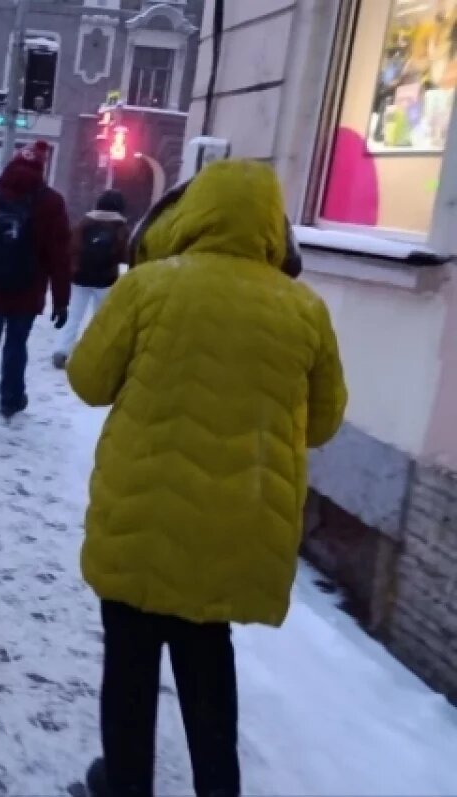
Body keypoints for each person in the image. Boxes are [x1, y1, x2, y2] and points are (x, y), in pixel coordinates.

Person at [65, 160, 348, 797]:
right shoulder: (304, 308)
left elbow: (87, 382)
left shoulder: (150, 287)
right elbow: (324, 423)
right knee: (207, 655)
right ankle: (218, 786)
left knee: (131, 659)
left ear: (191, 214)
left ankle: (125, 785)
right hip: (239, 520)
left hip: (143, 511)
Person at [0, 140, 71, 439]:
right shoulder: (51, 202)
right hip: (28, 289)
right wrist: (61, 299)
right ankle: (10, 401)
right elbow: (60, 255)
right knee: (17, 346)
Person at [52, 189, 130, 369]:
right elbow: (124, 255)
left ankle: (61, 350)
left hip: (80, 277)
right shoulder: (121, 227)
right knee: (101, 318)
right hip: (106, 279)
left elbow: (72, 247)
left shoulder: (84, 223)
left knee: (74, 316)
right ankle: (97, 354)